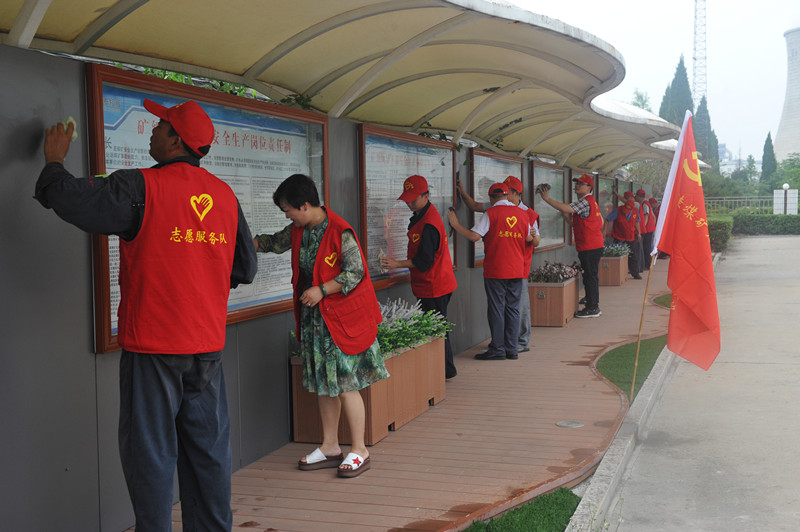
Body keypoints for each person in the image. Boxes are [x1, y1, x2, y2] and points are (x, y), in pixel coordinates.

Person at [35, 99, 258, 530]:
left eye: (159, 125)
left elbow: (71, 200)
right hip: (207, 351)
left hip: (153, 349)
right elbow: (244, 268)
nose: (152, 130)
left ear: (175, 141)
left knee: (150, 457)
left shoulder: (140, 187)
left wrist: (54, 162)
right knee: (209, 456)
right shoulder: (225, 196)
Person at [253, 174, 387, 478]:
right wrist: (244, 242)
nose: (286, 216)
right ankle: (330, 446)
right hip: (316, 321)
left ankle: (360, 450)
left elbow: (355, 273)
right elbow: (274, 242)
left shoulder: (340, 231)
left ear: (304, 205)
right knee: (324, 385)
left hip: (340, 321)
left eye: (288, 210)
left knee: (346, 385)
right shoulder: (299, 229)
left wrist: (323, 289)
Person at [380, 174, 458, 378]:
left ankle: (444, 371)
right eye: (407, 200)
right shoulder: (422, 215)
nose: (409, 204)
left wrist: (397, 264)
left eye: (413, 200)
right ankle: (445, 370)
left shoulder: (429, 223)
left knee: (436, 330)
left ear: (426, 196)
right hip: (432, 284)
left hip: (434, 286)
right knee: (437, 327)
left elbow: (424, 261)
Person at [448, 182, 535, 360]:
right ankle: (512, 349)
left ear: (491, 198)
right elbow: (529, 238)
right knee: (513, 309)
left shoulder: (491, 213)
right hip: (517, 269)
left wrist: (456, 225)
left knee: (497, 309)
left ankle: (498, 349)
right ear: (507, 195)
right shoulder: (522, 213)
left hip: (497, 269)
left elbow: (474, 236)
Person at [537, 174, 604, 318]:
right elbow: (596, 222)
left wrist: (546, 198)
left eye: (581, 183)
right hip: (593, 245)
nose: (577, 185)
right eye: (576, 183)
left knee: (590, 276)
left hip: (590, 246)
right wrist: (565, 218)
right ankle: (591, 299)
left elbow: (567, 208)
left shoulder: (585, 201)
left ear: (589, 187)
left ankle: (593, 307)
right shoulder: (591, 201)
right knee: (591, 275)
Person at [606, 192, 641, 278]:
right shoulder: (618, 210)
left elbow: (637, 222)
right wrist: (604, 231)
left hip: (630, 236)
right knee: (619, 255)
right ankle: (618, 274)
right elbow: (607, 219)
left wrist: (639, 233)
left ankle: (635, 273)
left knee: (633, 255)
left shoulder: (635, 211)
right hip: (619, 237)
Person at [636, 189, 656, 269]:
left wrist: (642, 227)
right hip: (650, 228)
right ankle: (648, 263)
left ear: (639, 196)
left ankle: (647, 264)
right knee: (647, 246)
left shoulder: (645, 204)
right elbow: (653, 217)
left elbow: (646, 216)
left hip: (647, 229)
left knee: (646, 247)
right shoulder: (647, 204)